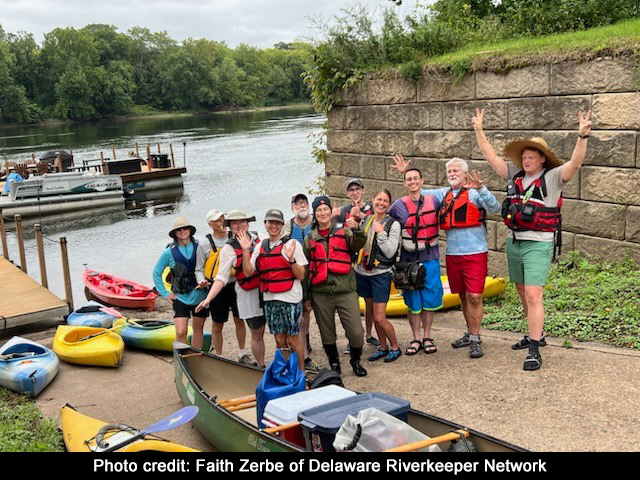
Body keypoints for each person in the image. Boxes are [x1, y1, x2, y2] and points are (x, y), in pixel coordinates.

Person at [472, 108, 592, 370]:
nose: (526, 160)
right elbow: (489, 156)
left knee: (534, 294)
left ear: (541, 160)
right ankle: (537, 334)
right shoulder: (514, 176)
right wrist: (479, 129)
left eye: (531, 157)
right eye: (524, 157)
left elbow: (575, 164)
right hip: (515, 242)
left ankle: (535, 349)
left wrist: (581, 137)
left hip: (538, 244)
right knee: (521, 291)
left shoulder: (553, 176)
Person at [391, 155, 501, 358]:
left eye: (456, 171)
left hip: (475, 252)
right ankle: (470, 333)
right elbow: (417, 191)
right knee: (462, 296)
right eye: (449, 171)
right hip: (453, 254)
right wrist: (403, 173)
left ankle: (476, 339)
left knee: (475, 296)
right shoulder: (443, 193)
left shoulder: (474, 193)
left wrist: (481, 189)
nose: (451, 174)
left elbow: (496, 208)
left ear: (465, 174)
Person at [303, 195, 368, 377]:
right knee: (327, 333)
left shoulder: (344, 231)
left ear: (332, 212)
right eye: (319, 210)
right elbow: (306, 269)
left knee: (356, 332)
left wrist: (357, 229)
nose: (323, 213)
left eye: (326, 209)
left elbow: (357, 244)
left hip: (345, 290)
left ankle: (355, 361)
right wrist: (306, 297)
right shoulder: (309, 239)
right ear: (314, 215)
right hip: (320, 293)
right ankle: (334, 363)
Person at [239, 209, 308, 371]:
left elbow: (301, 276)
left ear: (282, 225)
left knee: (292, 339)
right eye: (271, 223)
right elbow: (249, 272)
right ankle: (285, 371)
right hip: (270, 299)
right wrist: (245, 251)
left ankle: (300, 373)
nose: (274, 226)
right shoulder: (260, 247)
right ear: (265, 224)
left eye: (277, 223)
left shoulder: (292, 244)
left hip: (290, 299)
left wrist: (291, 260)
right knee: (279, 340)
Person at [196, 209, 266, 367]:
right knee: (257, 333)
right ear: (230, 226)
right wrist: (208, 298)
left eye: (242, 221)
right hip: (247, 292)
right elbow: (221, 277)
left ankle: (281, 364)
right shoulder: (229, 248)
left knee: (278, 333)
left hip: (267, 290)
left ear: (248, 223)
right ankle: (262, 366)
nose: (239, 225)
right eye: (234, 223)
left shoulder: (260, 237)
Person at [386, 166, 444, 356]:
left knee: (430, 298)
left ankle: (427, 336)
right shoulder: (397, 206)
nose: (412, 182)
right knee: (413, 301)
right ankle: (416, 337)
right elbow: (386, 224)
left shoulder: (433, 201)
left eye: (415, 179)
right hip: (408, 260)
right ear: (404, 183)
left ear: (421, 181)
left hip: (430, 257)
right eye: (408, 179)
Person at [354, 189, 402, 363]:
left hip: (380, 274)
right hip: (362, 272)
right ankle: (383, 347)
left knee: (380, 317)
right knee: (372, 313)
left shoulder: (393, 224)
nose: (381, 203)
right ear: (373, 200)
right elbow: (359, 243)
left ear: (389, 204)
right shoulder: (367, 219)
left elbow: (390, 252)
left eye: (385, 201)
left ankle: (395, 346)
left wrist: (381, 233)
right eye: (378, 199)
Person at [333, 178, 379, 349]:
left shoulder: (372, 209)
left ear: (363, 191)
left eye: (357, 189)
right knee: (350, 304)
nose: (355, 192)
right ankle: (351, 339)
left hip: (368, 262)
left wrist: (361, 216)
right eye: (351, 190)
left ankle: (368, 334)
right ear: (347, 193)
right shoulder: (342, 211)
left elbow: (378, 223)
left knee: (369, 301)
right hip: (350, 263)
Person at [152, 217, 208, 350]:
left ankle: (196, 359)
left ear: (190, 230)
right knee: (181, 332)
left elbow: (208, 268)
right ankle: (183, 359)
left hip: (200, 295)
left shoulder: (199, 247)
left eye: (185, 228)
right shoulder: (169, 252)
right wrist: (165, 293)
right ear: (175, 233)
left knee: (198, 329)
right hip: (180, 297)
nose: (182, 231)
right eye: (179, 229)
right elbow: (156, 273)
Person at [282, 193, 317, 365]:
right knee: (303, 311)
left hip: (315, 268)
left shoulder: (316, 221)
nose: (301, 205)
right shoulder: (288, 226)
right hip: (297, 270)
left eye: (304, 202)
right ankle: (304, 342)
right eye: (297, 203)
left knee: (310, 307)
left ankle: (307, 337)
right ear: (292, 207)